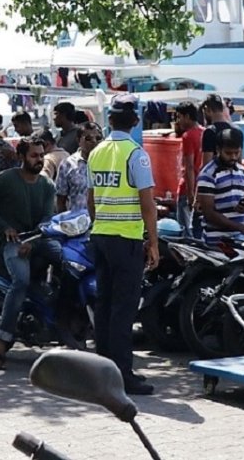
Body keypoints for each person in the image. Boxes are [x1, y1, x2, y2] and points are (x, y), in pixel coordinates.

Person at [87, 94, 158, 395]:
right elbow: (148, 203)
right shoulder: (136, 154)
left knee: (103, 306)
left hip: (100, 236)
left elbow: (90, 201)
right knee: (123, 310)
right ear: (136, 122)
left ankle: (102, 372)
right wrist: (153, 242)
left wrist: (101, 223)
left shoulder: (96, 152)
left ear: (110, 120)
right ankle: (122, 375)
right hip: (126, 240)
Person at [0, 136, 61, 369]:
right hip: (11, 243)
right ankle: (2, 342)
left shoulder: (47, 185)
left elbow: (47, 218)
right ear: (21, 157)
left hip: (39, 240)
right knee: (21, 281)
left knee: (70, 262)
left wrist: (34, 241)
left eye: (41, 155)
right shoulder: (6, 180)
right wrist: (5, 228)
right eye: (34, 155)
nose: (39, 160)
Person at [195, 127, 244, 244]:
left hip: (240, 240)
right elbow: (209, 213)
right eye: (228, 153)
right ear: (218, 150)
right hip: (216, 242)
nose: (233, 157)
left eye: (236, 153)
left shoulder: (243, 172)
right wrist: (240, 227)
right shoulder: (208, 174)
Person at [55, 123, 102, 213]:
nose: (94, 142)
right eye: (88, 138)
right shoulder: (67, 164)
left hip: (104, 221)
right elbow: (61, 200)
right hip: (78, 223)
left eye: (98, 138)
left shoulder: (109, 162)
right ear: (79, 140)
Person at [174, 100, 204, 236]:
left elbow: (189, 167)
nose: (178, 121)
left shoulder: (188, 136)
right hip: (203, 188)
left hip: (188, 188)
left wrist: (191, 194)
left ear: (187, 116)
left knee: (185, 231)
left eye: (179, 116)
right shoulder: (205, 132)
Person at [200, 94, 235, 166]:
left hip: (215, 176)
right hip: (232, 176)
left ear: (208, 110)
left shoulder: (210, 132)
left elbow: (207, 164)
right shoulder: (235, 130)